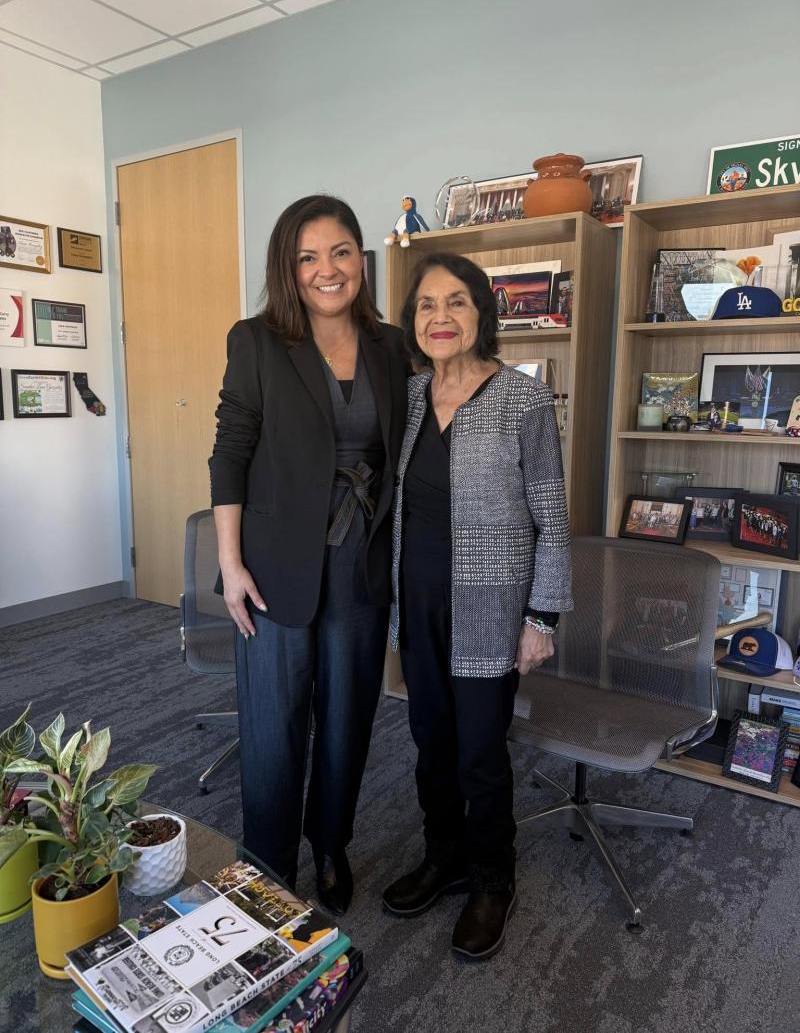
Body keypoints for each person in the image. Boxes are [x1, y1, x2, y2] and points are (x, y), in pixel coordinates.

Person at [209, 195, 409, 914]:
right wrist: (230, 566)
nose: (327, 269)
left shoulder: (391, 346)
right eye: (307, 256)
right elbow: (230, 452)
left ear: (362, 258)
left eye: (341, 251)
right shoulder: (257, 340)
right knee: (273, 724)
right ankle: (266, 864)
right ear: (288, 269)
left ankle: (330, 842)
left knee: (348, 716)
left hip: (360, 561)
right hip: (272, 564)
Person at [382, 252, 572, 959]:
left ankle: (495, 876)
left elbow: (552, 516)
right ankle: (446, 855)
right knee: (430, 742)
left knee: (480, 754)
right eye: (426, 304)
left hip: (492, 610)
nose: (440, 317)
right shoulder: (405, 399)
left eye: (456, 302)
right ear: (413, 321)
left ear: (482, 314)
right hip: (419, 604)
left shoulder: (522, 400)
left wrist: (541, 616)